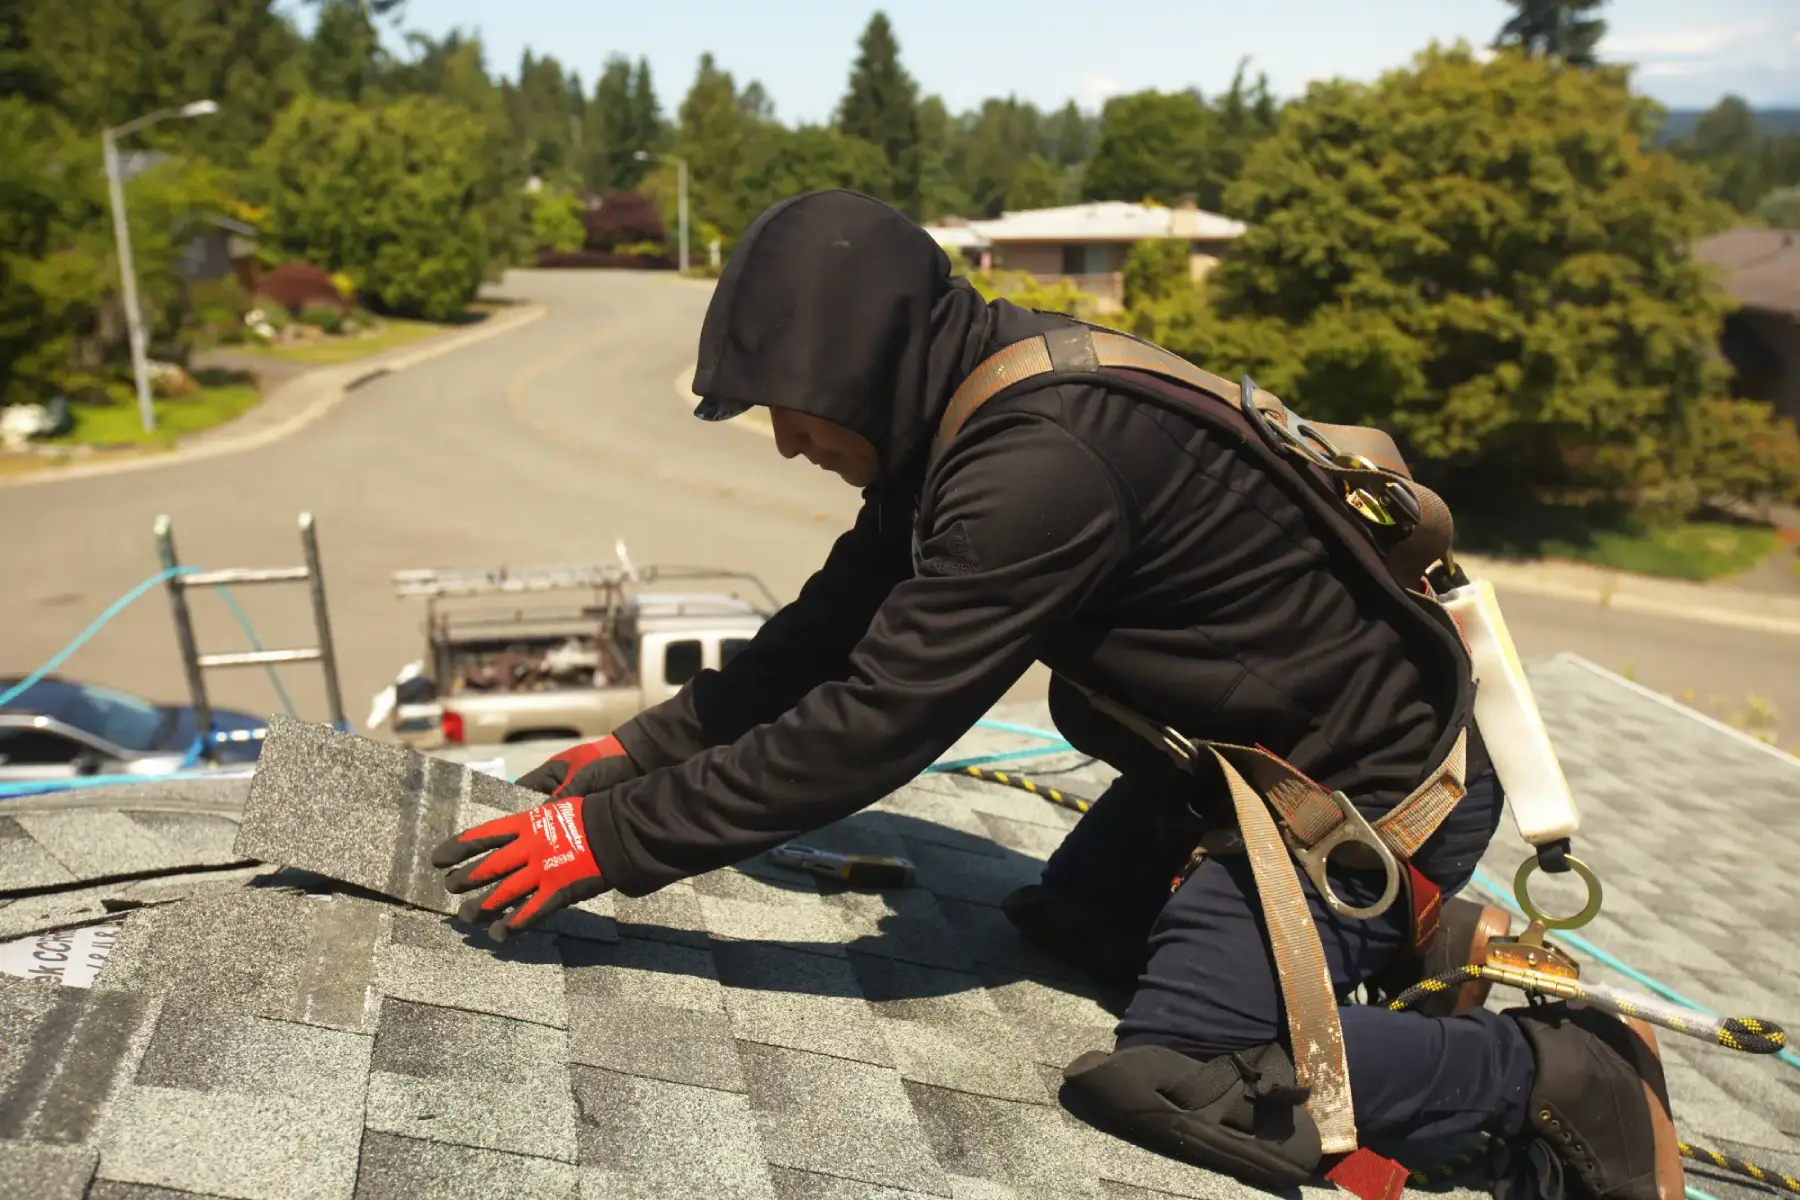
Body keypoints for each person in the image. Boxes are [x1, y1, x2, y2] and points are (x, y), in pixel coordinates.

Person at [432, 190, 1679, 1200]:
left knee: (1173, 1075)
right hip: (1243, 771)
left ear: (859, 372)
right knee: (1068, 928)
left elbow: (877, 722)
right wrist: (633, 749)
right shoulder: (966, 402)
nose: (786, 444)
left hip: (1361, 803)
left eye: (789, 410)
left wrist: (606, 842)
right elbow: (821, 637)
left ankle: (1560, 1072)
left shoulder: (1037, 465)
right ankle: (1379, 951)